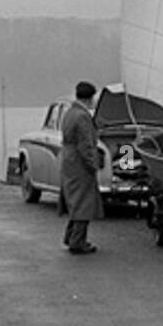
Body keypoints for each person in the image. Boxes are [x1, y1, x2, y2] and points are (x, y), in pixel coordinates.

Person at [57, 81, 103, 254]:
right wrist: (93, 164)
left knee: (74, 201)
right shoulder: (83, 116)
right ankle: (78, 241)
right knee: (84, 202)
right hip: (80, 163)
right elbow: (86, 145)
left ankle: (70, 237)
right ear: (90, 99)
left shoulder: (70, 113)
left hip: (69, 161)